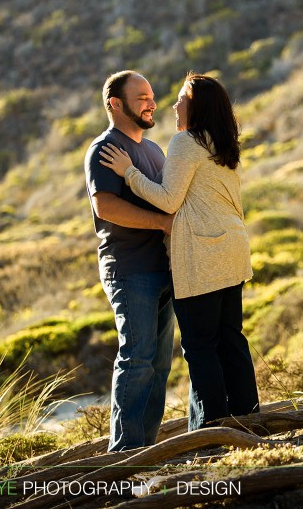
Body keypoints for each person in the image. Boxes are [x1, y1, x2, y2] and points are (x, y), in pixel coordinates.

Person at [99, 72, 259, 430]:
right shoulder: (221, 143)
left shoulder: (185, 142)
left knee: (201, 347)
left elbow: (169, 201)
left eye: (182, 99)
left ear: (197, 106)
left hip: (201, 256)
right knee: (231, 339)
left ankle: (213, 430)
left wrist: (128, 172)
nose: (173, 105)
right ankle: (248, 417)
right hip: (233, 250)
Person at [84, 70, 176, 451]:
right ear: (115, 104)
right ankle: (125, 454)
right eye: (141, 98)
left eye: (151, 96)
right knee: (137, 359)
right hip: (130, 269)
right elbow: (105, 206)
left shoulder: (154, 150)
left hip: (166, 268)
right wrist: (160, 223)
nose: (151, 103)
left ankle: (147, 450)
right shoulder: (105, 148)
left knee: (159, 366)